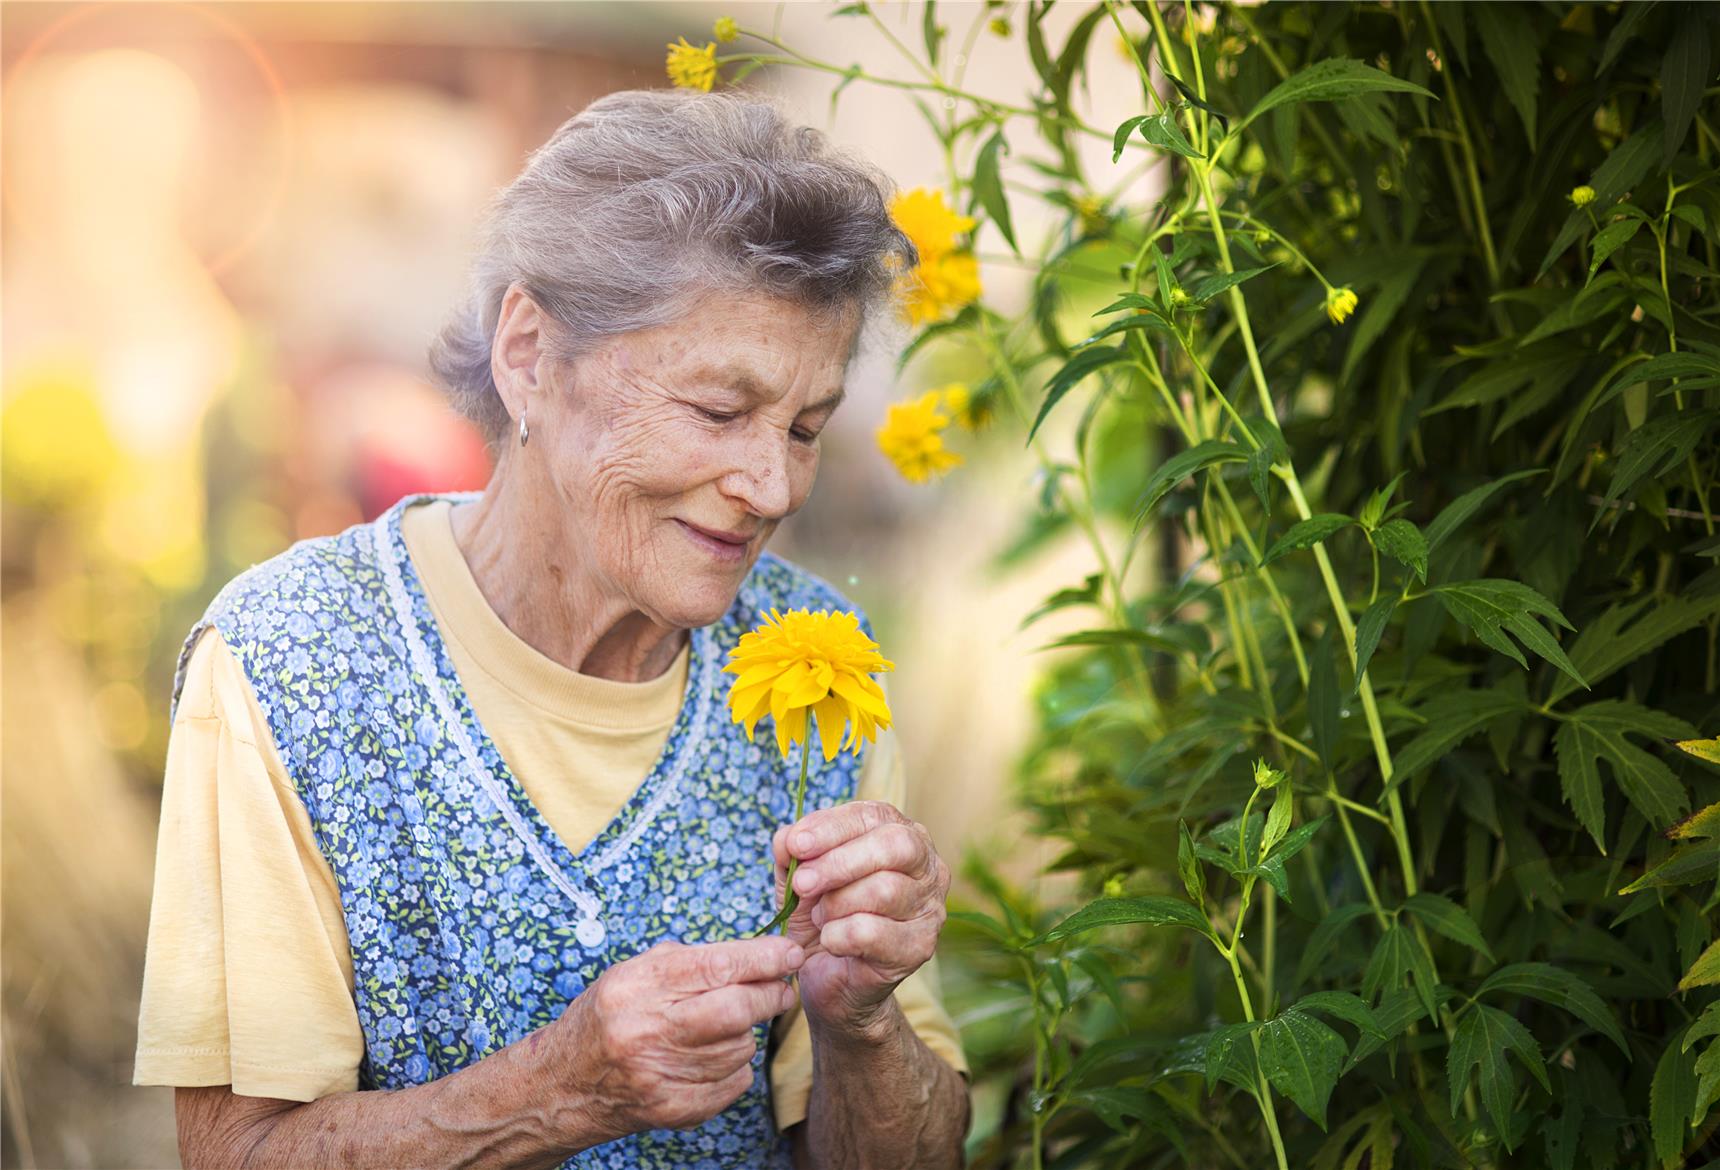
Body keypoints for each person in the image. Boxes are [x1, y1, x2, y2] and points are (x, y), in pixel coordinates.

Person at [134, 87, 971, 1169]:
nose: (770, 484)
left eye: (806, 427)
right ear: (529, 354)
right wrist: (557, 1093)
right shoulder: (287, 661)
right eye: (720, 412)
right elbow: (234, 1155)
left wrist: (862, 1022)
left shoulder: (816, 665)